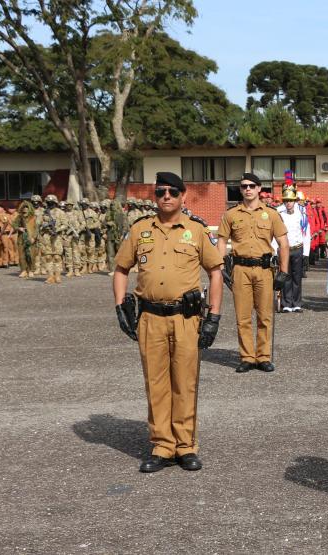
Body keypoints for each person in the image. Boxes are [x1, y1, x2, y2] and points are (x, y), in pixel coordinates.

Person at [113, 171, 223, 473]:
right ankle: (162, 445)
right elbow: (121, 269)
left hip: (186, 319)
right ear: (154, 196)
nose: (166, 197)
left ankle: (185, 446)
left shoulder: (197, 230)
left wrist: (213, 316)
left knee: (185, 383)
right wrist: (120, 305)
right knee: (156, 383)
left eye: (172, 192)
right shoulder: (139, 230)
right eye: (160, 191)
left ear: (183, 196)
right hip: (150, 319)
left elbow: (215, 272)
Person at [217, 173, 290, 373]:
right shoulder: (231, 215)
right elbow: (222, 241)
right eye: (243, 186)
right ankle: (247, 357)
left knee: (265, 315)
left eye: (251, 186)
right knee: (243, 316)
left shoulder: (271, 214)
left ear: (259, 189)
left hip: (265, 269)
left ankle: (264, 356)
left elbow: (284, 243)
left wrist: (283, 272)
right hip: (240, 270)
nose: (247, 189)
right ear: (240, 190)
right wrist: (222, 267)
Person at [275, 185, 310, 312]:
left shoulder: (302, 211)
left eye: (290, 200)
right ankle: (287, 303)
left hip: (298, 248)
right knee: (286, 276)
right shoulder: (278, 212)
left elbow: (306, 232)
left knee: (297, 277)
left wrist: (306, 253)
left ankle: (297, 303)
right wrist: (275, 251)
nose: (288, 203)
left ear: (295, 201)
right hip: (284, 249)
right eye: (286, 200)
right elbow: (274, 234)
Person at [39, 195, 68, 284]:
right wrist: (44, 226)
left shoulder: (60, 212)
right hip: (46, 236)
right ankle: (50, 276)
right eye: (48, 203)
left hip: (57, 237)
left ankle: (58, 275)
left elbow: (65, 224)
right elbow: (39, 224)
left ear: (55, 203)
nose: (50, 204)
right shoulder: (44, 213)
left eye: (51, 203)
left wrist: (57, 230)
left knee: (57, 257)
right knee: (48, 257)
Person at [12, 200, 38, 278]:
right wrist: (19, 228)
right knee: (21, 255)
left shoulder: (34, 217)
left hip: (31, 238)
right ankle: (23, 270)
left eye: (26, 208)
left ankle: (31, 270)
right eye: (23, 209)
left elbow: (37, 228)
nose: (25, 211)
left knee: (31, 255)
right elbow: (14, 224)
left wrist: (34, 237)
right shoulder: (19, 217)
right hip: (21, 239)